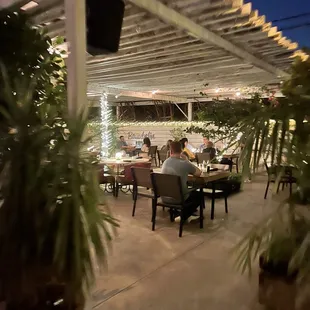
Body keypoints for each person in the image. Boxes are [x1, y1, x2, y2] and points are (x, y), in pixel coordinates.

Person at [162, 141, 202, 222]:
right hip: (179, 198)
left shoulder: (165, 162)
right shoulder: (185, 163)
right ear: (181, 151)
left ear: (170, 151)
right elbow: (198, 173)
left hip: (164, 197)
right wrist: (187, 160)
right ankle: (183, 216)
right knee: (199, 195)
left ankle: (187, 214)